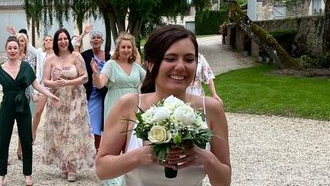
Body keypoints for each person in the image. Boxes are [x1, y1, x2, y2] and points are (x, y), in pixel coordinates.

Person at [95, 25, 231, 186]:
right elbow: (102, 170)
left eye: (189, 59)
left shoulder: (212, 109)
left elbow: (224, 182)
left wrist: (207, 159)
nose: (180, 67)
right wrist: (141, 156)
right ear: (151, 64)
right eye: (170, 58)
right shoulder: (129, 105)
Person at [0, 36, 59, 186]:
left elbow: (37, 86)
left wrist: (51, 95)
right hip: (7, 106)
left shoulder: (26, 67)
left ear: (19, 50)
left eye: (15, 48)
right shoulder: (0, 69)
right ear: (6, 50)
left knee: (26, 139)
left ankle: (28, 174)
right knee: (3, 140)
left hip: (23, 105)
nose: (12, 50)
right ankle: (1, 175)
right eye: (9, 48)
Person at [42, 28, 96, 182]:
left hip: (75, 98)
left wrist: (68, 82)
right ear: (56, 41)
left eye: (65, 38)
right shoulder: (50, 59)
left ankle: (72, 166)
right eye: (60, 39)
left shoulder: (76, 56)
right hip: (58, 98)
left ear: (68, 40)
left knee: (73, 130)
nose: (63, 41)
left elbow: (85, 77)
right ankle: (64, 163)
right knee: (61, 132)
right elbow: (45, 81)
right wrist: (56, 83)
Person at [91, 32, 146, 122]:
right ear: (118, 49)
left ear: (133, 49)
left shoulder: (136, 67)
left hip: (133, 106)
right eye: (123, 47)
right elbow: (100, 84)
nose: (126, 50)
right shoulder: (111, 64)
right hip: (115, 105)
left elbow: (150, 81)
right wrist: (95, 74)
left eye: (129, 47)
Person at [81, 30, 111, 151]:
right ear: (91, 41)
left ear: (102, 41)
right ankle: (83, 149)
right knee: (86, 122)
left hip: (103, 94)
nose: (96, 40)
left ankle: (98, 149)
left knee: (99, 123)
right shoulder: (85, 55)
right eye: (94, 38)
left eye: (99, 38)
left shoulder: (109, 56)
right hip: (89, 93)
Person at [31, 34, 54, 141]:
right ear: (44, 42)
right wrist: (15, 33)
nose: (48, 41)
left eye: (50, 40)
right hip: (43, 87)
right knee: (38, 111)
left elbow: (73, 43)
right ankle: (32, 133)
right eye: (46, 40)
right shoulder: (40, 53)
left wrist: (83, 35)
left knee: (55, 113)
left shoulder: (58, 55)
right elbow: (28, 46)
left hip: (55, 86)